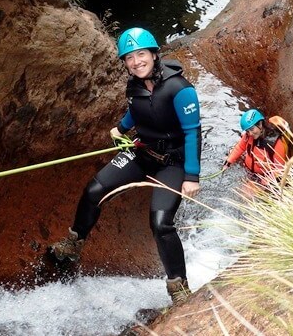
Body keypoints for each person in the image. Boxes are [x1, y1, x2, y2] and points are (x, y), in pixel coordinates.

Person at [49, 27, 202, 306]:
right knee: (95, 189)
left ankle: (178, 286)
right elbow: (137, 109)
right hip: (141, 152)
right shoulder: (134, 85)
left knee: (160, 223)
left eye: (141, 54)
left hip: (173, 162)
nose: (136, 62)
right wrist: (121, 128)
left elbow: (192, 132)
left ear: (154, 55)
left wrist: (191, 176)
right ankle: (74, 242)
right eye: (129, 57)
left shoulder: (180, 89)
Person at [223, 109, 290, 185]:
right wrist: (228, 163)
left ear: (260, 124)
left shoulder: (276, 143)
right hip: (247, 169)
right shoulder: (248, 136)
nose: (250, 133)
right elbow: (240, 148)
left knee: (244, 193)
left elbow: (279, 169)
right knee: (227, 157)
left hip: (262, 177)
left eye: (252, 129)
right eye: (247, 131)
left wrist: (263, 182)